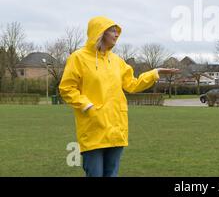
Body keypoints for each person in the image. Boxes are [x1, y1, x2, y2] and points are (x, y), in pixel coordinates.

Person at [59, 16, 179, 177]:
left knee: (112, 174)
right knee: (95, 174)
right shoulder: (78, 58)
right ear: (100, 33)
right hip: (93, 127)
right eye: (112, 31)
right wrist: (87, 106)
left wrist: (154, 73)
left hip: (116, 127)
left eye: (117, 32)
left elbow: (133, 85)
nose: (116, 35)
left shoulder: (117, 61)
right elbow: (67, 88)